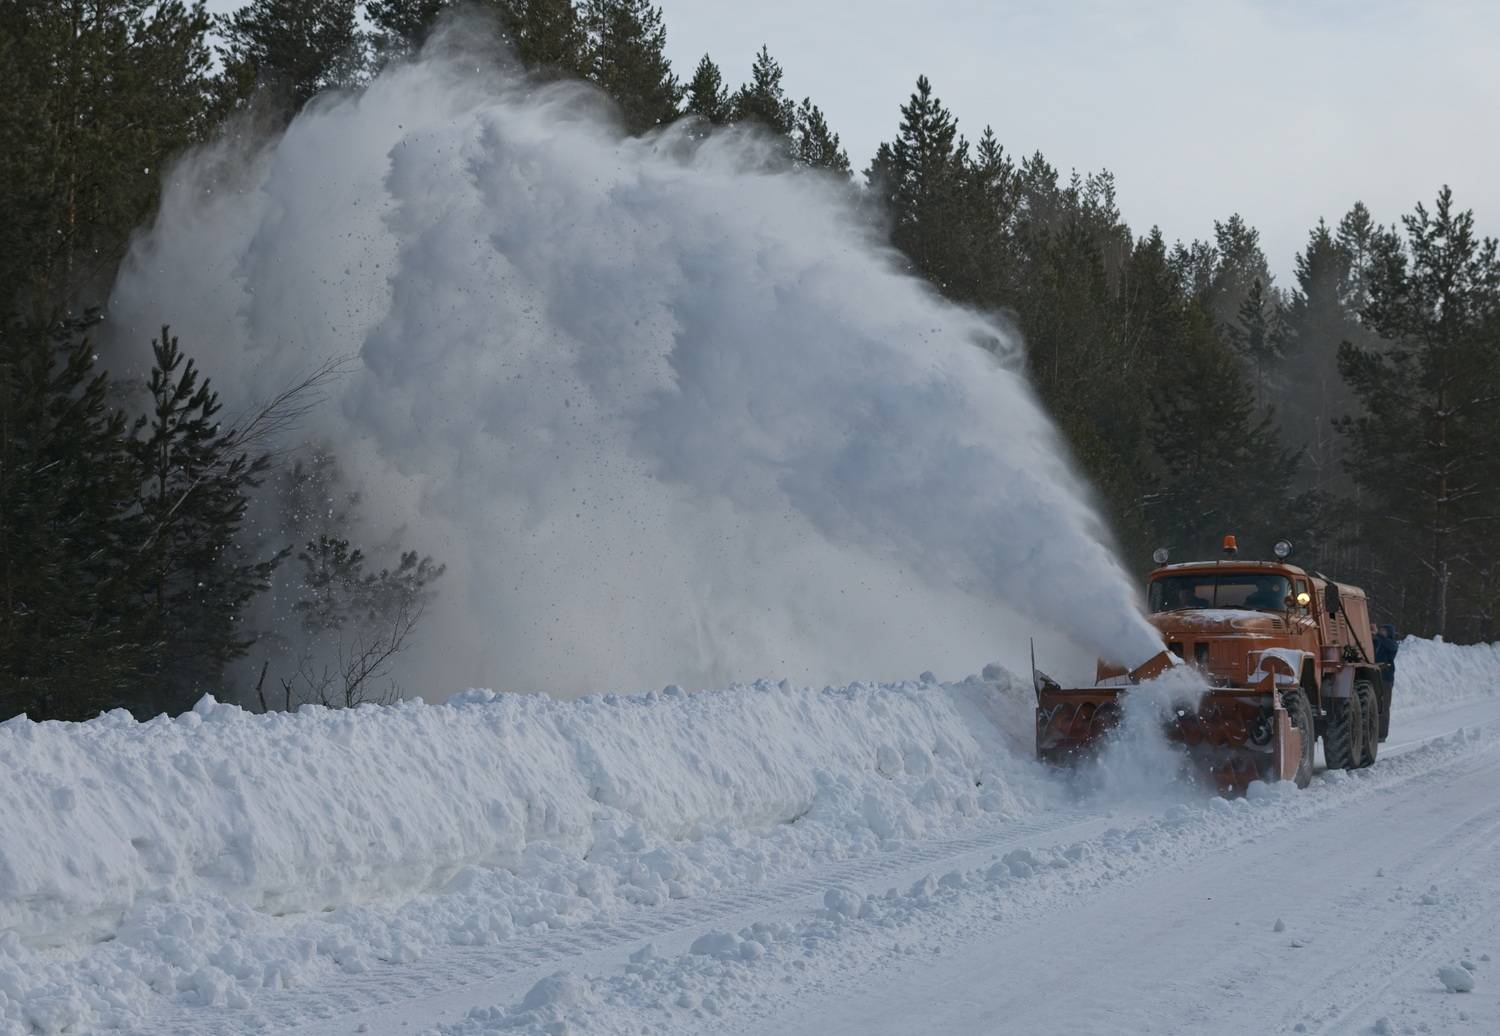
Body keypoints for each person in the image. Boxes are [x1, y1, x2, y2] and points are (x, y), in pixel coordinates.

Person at [1374, 624, 1399, 689]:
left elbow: (1388, 643)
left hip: (1387, 677)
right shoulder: (1379, 642)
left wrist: (1377, 634)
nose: (1381, 631)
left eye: (1383, 630)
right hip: (1376, 675)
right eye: (1380, 630)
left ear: (1389, 632)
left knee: (1385, 698)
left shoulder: (1393, 644)